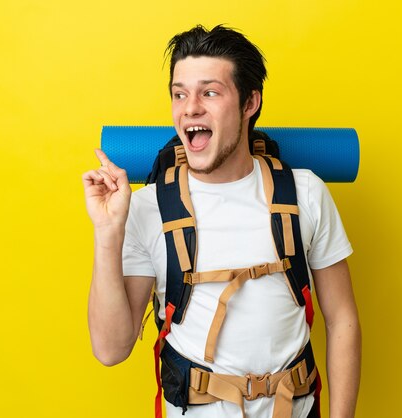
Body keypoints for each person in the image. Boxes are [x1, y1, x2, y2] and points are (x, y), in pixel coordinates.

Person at [82, 25, 361, 418]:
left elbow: (343, 318)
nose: (190, 108)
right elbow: (110, 349)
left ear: (250, 103)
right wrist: (108, 234)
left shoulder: (306, 194)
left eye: (209, 92)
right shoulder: (146, 208)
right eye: (180, 94)